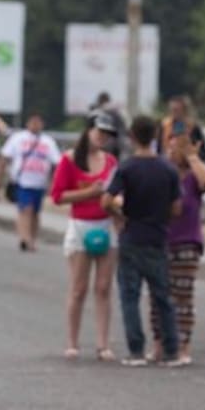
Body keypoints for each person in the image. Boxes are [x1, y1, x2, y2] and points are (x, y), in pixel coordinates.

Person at [102, 115, 182, 367]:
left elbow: (106, 201)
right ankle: (171, 350)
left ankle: (136, 350)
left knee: (130, 296)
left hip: (131, 235)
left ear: (132, 136)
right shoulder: (168, 169)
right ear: (155, 135)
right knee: (163, 297)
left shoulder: (127, 168)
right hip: (157, 237)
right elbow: (177, 208)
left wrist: (120, 215)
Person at [49, 113, 120, 361]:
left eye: (107, 135)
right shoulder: (70, 160)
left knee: (103, 287)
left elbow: (117, 193)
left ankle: (103, 344)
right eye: (99, 132)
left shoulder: (110, 162)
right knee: (79, 288)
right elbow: (58, 196)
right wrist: (89, 193)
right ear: (88, 131)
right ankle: (72, 342)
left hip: (105, 224)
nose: (102, 138)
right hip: (81, 225)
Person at [149, 125, 205, 365]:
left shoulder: (194, 175)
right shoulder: (161, 171)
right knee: (157, 296)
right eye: (171, 142)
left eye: (180, 143)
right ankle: (159, 344)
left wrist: (192, 157)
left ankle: (183, 346)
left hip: (186, 242)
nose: (174, 147)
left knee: (182, 296)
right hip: (159, 240)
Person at [0, 114, 61, 252]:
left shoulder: (48, 141)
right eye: (33, 122)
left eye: (38, 122)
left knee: (35, 213)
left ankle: (32, 238)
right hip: (22, 181)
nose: (35, 125)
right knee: (26, 209)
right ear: (28, 123)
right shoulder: (18, 138)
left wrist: (54, 182)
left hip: (40, 182)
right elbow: (5, 157)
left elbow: (56, 163)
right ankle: (24, 238)